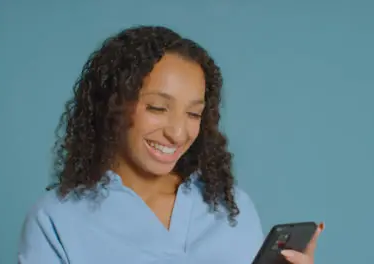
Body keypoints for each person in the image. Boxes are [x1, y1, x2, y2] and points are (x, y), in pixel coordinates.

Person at [17, 25, 323, 264]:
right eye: (158, 108)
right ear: (113, 105)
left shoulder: (231, 207)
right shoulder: (56, 220)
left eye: (193, 114)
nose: (177, 134)